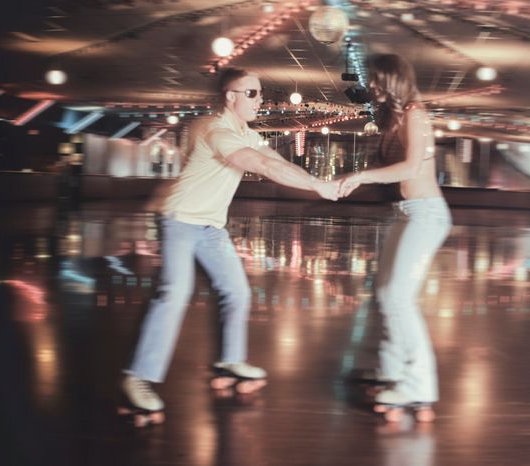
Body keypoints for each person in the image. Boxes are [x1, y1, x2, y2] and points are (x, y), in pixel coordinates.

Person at [121, 67, 340, 418]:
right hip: (178, 220)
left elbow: (275, 161)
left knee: (237, 292)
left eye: (260, 92)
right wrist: (319, 187)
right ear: (230, 97)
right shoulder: (217, 130)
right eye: (251, 93)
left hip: (210, 228)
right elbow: (256, 164)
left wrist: (319, 182)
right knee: (174, 293)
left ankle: (230, 361)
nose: (260, 99)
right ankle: (138, 377)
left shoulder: (244, 132)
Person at [338, 54, 452, 416]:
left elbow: (411, 167)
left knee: (397, 296)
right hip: (404, 213)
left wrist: (362, 177)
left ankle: (418, 385)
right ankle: (389, 370)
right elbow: (386, 170)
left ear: (391, 80)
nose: (369, 86)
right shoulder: (393, 118)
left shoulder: (416, 113)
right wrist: (348, 179)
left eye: (374, 79)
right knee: (384, 294)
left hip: (426, 214)